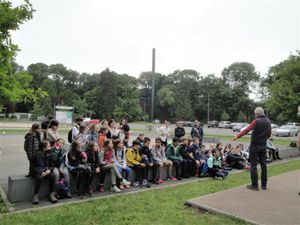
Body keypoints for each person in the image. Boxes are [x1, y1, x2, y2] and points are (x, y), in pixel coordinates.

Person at [232, 107, 271, 191]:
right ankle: (264, 185)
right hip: (263, 146)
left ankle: (255, 185)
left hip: (254, 146)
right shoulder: (268, 121)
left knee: (253, 165)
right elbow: (269, 134)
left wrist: (237, 136)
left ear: (256, 114)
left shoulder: (256, 121)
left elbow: (247, 130)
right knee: (263, 165)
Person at [31, 140, 58, 204]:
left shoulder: (49, 153)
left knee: (53, 176)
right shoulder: (35, 155)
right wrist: (40, 172)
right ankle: (36, 195)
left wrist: (49, 170)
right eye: (48, 146)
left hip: (46, 170)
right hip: (37, 172)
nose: (50, 147)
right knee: (39, 178)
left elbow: (52, 165)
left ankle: (51, 194)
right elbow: (32, 168)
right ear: (43, 148)